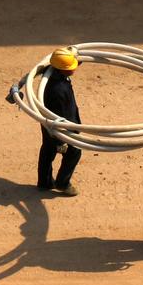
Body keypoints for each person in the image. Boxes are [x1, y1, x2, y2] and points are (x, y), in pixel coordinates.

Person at [36, 47, 82, 196]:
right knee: (74, 152)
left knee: (47, 152)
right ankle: (63, 183)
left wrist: (74, 58)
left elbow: (64, 63)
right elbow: (61, 116)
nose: (74, 69)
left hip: (48, 124)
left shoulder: (51, 73)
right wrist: (61, 140)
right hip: (61, 127)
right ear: (64, 70)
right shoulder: (58, 90)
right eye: (72, 67)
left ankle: (44, 182)